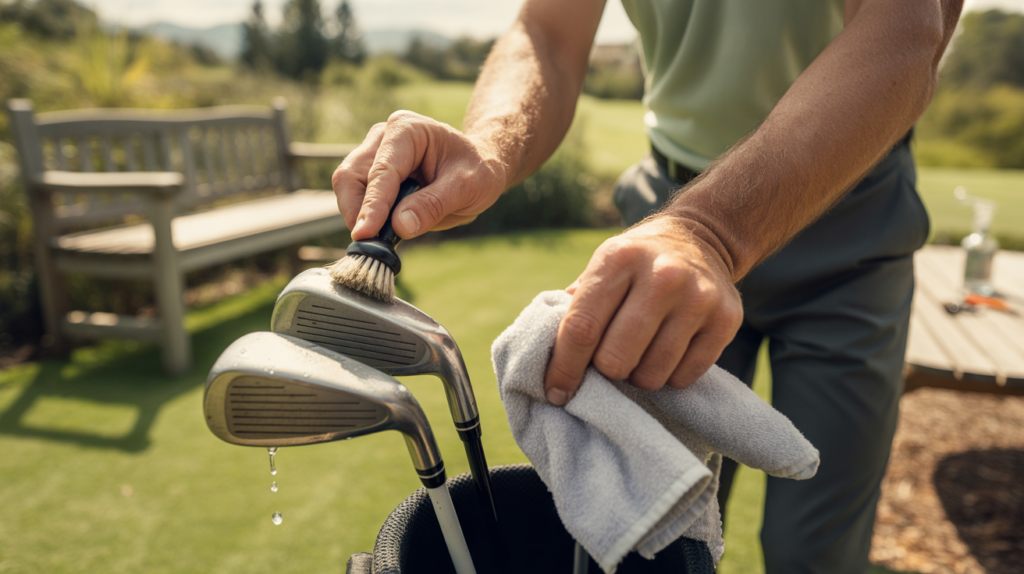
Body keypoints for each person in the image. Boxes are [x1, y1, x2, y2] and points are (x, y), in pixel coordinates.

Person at [331, 1, 963, 572]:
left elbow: (907, 32)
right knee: (656, 539)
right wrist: (489, 146)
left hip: (846, 214)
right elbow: (549, 33)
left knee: (814, 554)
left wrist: (710, 231)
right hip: (669, 216)